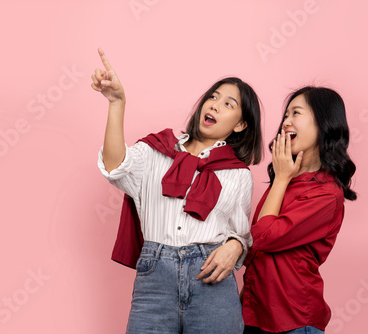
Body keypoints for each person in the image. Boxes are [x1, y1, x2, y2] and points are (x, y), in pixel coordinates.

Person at [92, 48, 263, 333]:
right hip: (155, 281)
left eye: (228, 104)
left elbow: (241, 234)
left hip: (212, 284)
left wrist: (235, 246)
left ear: (241, 124)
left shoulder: (238, 175)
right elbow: (115, 165)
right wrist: (116, 103)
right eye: (213, 97)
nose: (215, 105)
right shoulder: (157, 150)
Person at [241, 86, 357, 334]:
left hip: (293, 320)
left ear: (323, 123)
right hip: (253, 314)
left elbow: (262, 237)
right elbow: (253, 243)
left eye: (296, 113)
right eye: (285, 115)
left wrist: (281, 179)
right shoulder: (286, 180)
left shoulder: (326, 194)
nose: (286, 122)